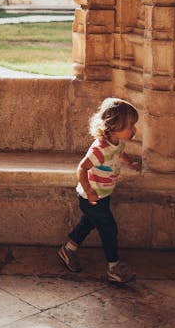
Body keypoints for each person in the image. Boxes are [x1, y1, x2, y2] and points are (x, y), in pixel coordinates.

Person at [58, 97, 141, 284]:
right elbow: (82, 168)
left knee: (88, 223)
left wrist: (130, 163)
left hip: (103, 194)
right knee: (109, 228)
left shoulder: (117, 142)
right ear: (115, 126)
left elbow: (119, 153)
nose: (134, 130)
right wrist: (88, 191)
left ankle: (68, 250)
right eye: (130, 126)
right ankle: (114, 267)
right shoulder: (99, 149)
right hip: (91, 197)